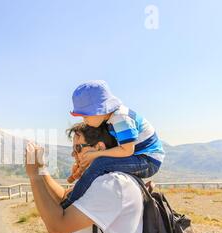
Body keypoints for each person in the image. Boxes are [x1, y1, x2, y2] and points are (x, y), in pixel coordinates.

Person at [25, 123, 144, 233]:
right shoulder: (100, 180)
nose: (74, 154)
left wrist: (34, 175)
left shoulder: (112, 185)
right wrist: (42, 170)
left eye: (78, 148)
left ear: (99, 148)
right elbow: (66, 199)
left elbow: (57, 226)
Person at [61, 80, 165, 209]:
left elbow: (127, 150)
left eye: (86, 116)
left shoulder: (121, 118)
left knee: (101, 163)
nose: (84, 120)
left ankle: (71, 202)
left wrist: (95, 155)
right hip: (141, 157)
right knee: (101, 163)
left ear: (99, 109)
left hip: (148, 160)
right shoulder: (112, 118)